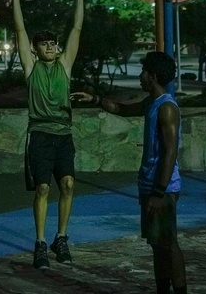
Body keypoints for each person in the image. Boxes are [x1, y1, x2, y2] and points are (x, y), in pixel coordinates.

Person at [74, 52, 188, 294]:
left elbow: (170, 153)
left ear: (153, 76)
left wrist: (159, 192)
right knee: (157, 244)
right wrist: (94, 99)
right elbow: (122, 109)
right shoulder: (152, 103)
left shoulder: (167, 108)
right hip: (150, 184)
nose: (140, 76)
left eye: (143, 72)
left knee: (169, 244)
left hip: (162, 188)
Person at [10, 0, 87, 269]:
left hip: (63, 134)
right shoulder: (31, 69)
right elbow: (20, 30)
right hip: (40, 134)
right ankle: (40, 243)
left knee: (68, 184)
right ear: (36, 50)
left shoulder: (65, 65)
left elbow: (76, 29)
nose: (52, 47)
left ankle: (61, 238)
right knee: (43, 189)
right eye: (46, 44)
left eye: (53, 43)